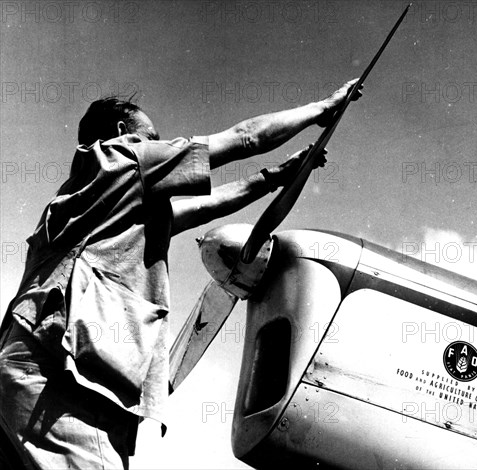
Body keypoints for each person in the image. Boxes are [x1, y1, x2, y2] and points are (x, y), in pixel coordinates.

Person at [0, 78, 361, 469]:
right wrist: (324, 107)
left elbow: (208, 205)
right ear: (123, 133)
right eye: (153, 137)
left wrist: (275, 175)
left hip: (23, 367)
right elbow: (244, 138)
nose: (162, 145)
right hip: (57, 374)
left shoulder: (102, 201)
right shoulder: (123, 158)